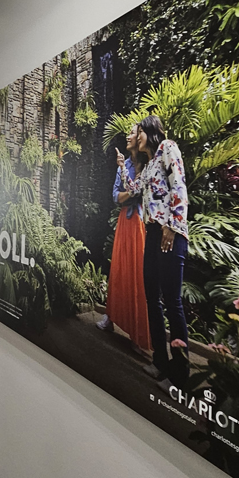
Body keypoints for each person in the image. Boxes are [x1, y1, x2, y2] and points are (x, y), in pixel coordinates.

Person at [117, 115, 189, 391]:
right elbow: (134, 190)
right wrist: (124, 168)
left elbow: (179, 187)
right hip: (152, 234)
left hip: (170, 232)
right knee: (152, 299)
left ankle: (180, 374)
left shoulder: (168, 148)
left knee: (172, 302)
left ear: (149, 131)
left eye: (137, 131)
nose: (134, 135)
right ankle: (160, 361)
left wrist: (173, 225)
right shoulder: (148, 165)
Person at [96, 124, 151, 354]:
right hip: (124, 221)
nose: (127, 136)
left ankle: (137, 335)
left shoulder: (149, 164)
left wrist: (131, 192)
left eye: (131, 133)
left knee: (137, 274)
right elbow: (116, 196)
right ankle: (110, 317)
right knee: (118, 270)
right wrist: (133, 192)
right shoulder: (125, 164)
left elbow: (146, 193)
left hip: (139, 223)